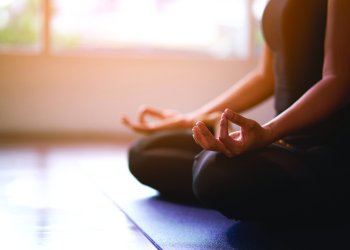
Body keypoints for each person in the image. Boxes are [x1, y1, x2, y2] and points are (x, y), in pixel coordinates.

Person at [121, 0, 350, 223]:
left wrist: (268, 132)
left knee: (215, 173)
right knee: (145, 152)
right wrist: (193, 118)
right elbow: (266, 76)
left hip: (323, 151)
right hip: (278, 142)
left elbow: (338, 81)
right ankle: (250, 186)